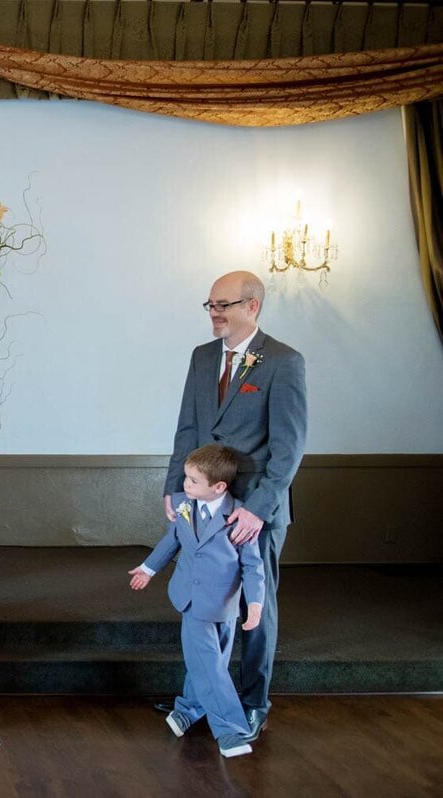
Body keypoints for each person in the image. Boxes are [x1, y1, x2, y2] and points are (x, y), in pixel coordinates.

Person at [156, 270, 307, 743]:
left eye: (224, 304)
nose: (215, 313)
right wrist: (174, 488)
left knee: (255, 609)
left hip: (254, 509)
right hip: (202, 505)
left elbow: (289, 448)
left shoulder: (284, 361)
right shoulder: (202, 358)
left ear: (252, 306)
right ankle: (206, 692)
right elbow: (188, 429)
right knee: (206, 600)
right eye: (210, 305)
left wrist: (258, 508)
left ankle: (253, 700)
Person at [129, 444, 265, 759]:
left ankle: (188, 709)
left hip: (225, 604)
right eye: (186, 479)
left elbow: (253, 566)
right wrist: (148, 568)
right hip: (191, 601)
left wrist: (255, 604)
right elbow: (171, 541)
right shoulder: (184, 506)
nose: (185, 485)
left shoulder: (240, 517)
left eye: (192, 481)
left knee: (210, 663)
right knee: (209, 665)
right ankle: (231, 729)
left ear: (219, 487)